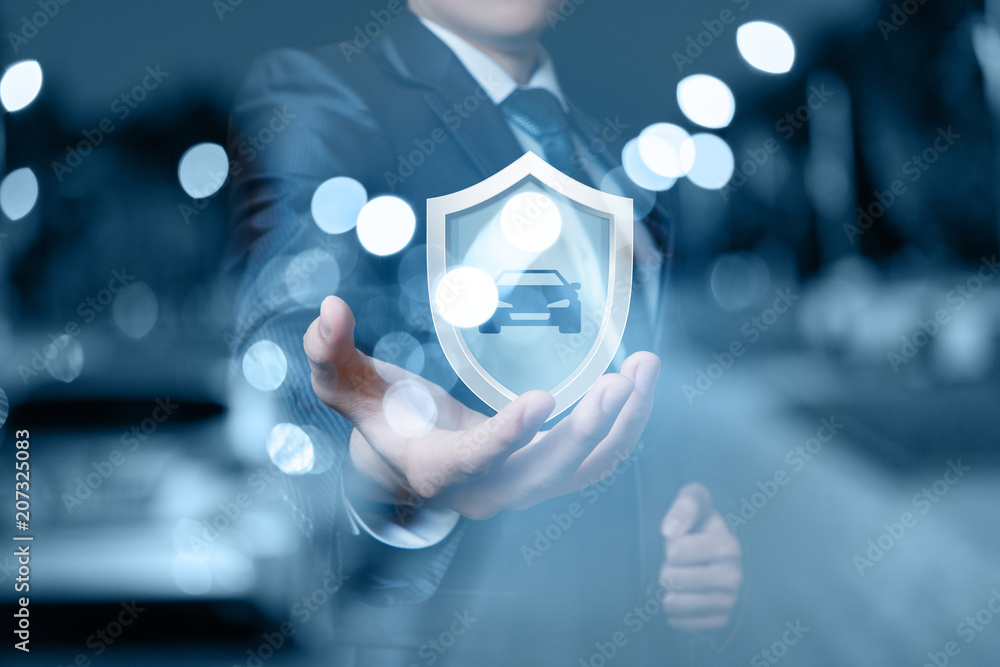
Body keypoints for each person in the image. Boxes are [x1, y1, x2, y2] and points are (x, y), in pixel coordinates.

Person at [227, 1, 743, 663]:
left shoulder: (602, 149)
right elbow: (286, 330)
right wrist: (386, 446)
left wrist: (700, 550)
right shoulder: (331, 94)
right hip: (459, 626)